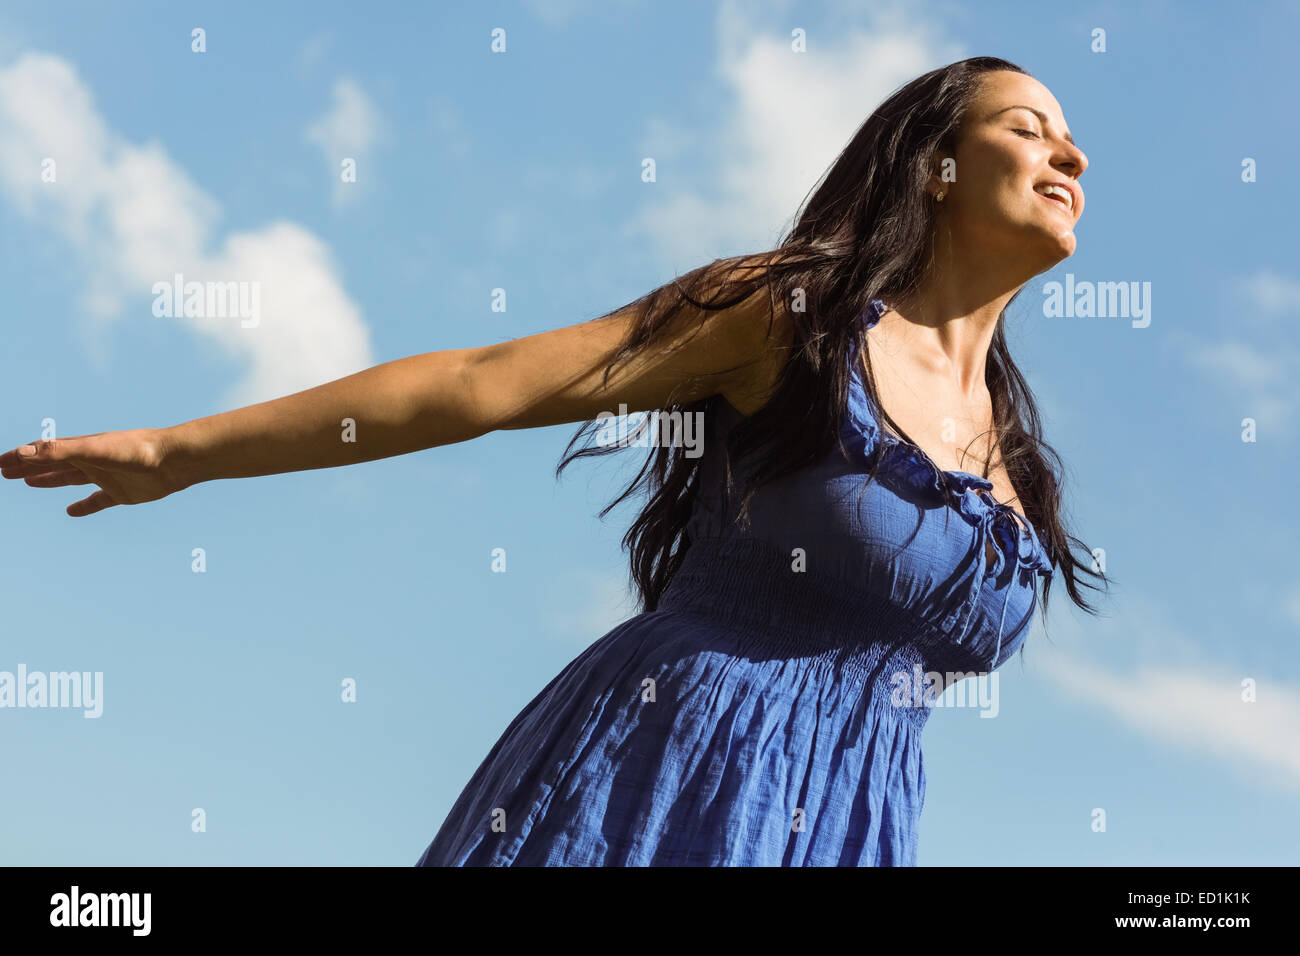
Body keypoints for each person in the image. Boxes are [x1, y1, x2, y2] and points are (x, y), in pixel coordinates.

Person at [1, 56, 1108, 866]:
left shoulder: (1016, 459)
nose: (1071, 151)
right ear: (937, 168)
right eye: (1027, 127)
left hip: (854, 819)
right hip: (670, 767)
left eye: (1070, 137)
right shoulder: (794, 316)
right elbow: (484, 381)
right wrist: (177, 451)